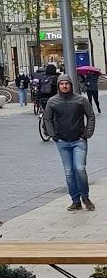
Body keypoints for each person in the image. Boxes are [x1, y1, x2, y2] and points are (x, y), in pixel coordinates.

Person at [42, 74, 96, 211]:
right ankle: (75, 200)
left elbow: (90, 116)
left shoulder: (81, 100)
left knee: (80, 168)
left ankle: (85, 196)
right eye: (62, 84)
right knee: (69, 172)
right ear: (58, 85)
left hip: (79, 140)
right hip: (62, 142)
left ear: (71, 85)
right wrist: (53, 135)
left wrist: (87, 134)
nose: (64, 86)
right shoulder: (52, 102)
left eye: (67, 83)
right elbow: (47, 119)